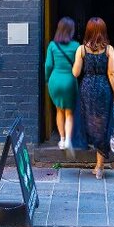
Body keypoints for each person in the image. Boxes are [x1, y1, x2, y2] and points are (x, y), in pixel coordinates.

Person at [72, 17, 114, 179]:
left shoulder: (81, 50)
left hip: (86, 88)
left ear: (88, 31)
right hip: (103, 88)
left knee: (90, 122)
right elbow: (111, 73)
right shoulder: (109, 49)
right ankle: (99, 166)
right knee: (102, 124)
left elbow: (76, 73)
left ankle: (97, 162)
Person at [44, 17, 79, 150]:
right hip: (69, 81)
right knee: (69, 112)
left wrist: (47, 80)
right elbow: (78, 67)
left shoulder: (52, 45)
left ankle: (62, 140)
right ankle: (69, 140)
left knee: (59, 110)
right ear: (71, 30)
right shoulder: (76, 46)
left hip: (55, 80)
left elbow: (48, 65)